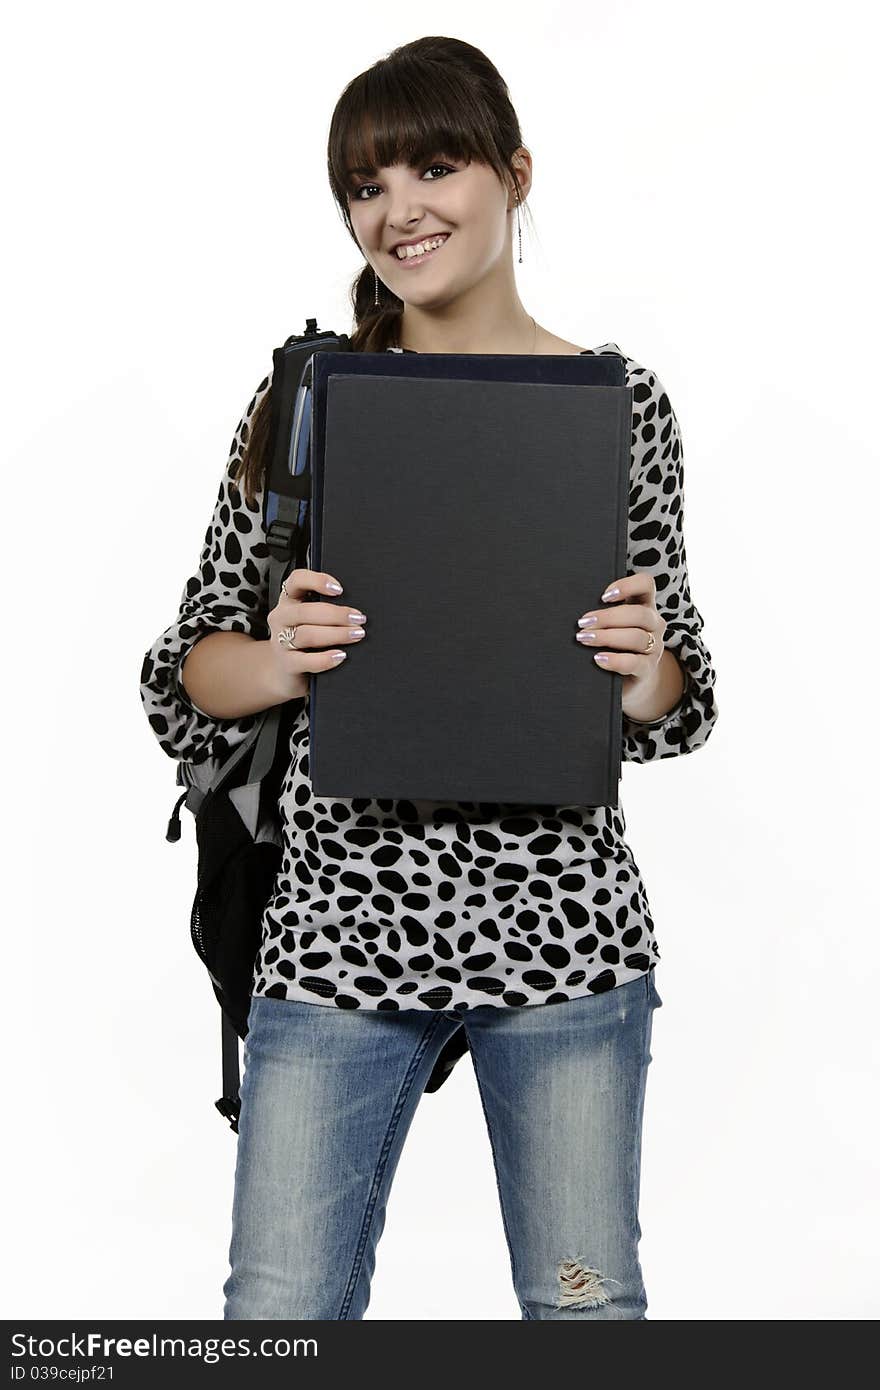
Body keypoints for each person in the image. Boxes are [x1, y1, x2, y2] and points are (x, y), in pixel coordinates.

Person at [139, 35, 719, 1320]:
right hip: (336, 938)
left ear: (514, 175)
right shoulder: (304, 399)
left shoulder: (617, 404)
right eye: (363, 183)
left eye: (433, 166)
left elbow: (685, 702)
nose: (397, 209)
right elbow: (180, 677)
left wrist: (638, 676)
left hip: (563, 940)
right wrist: (282, 659)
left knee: (583, 1305)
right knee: (279, 1317)